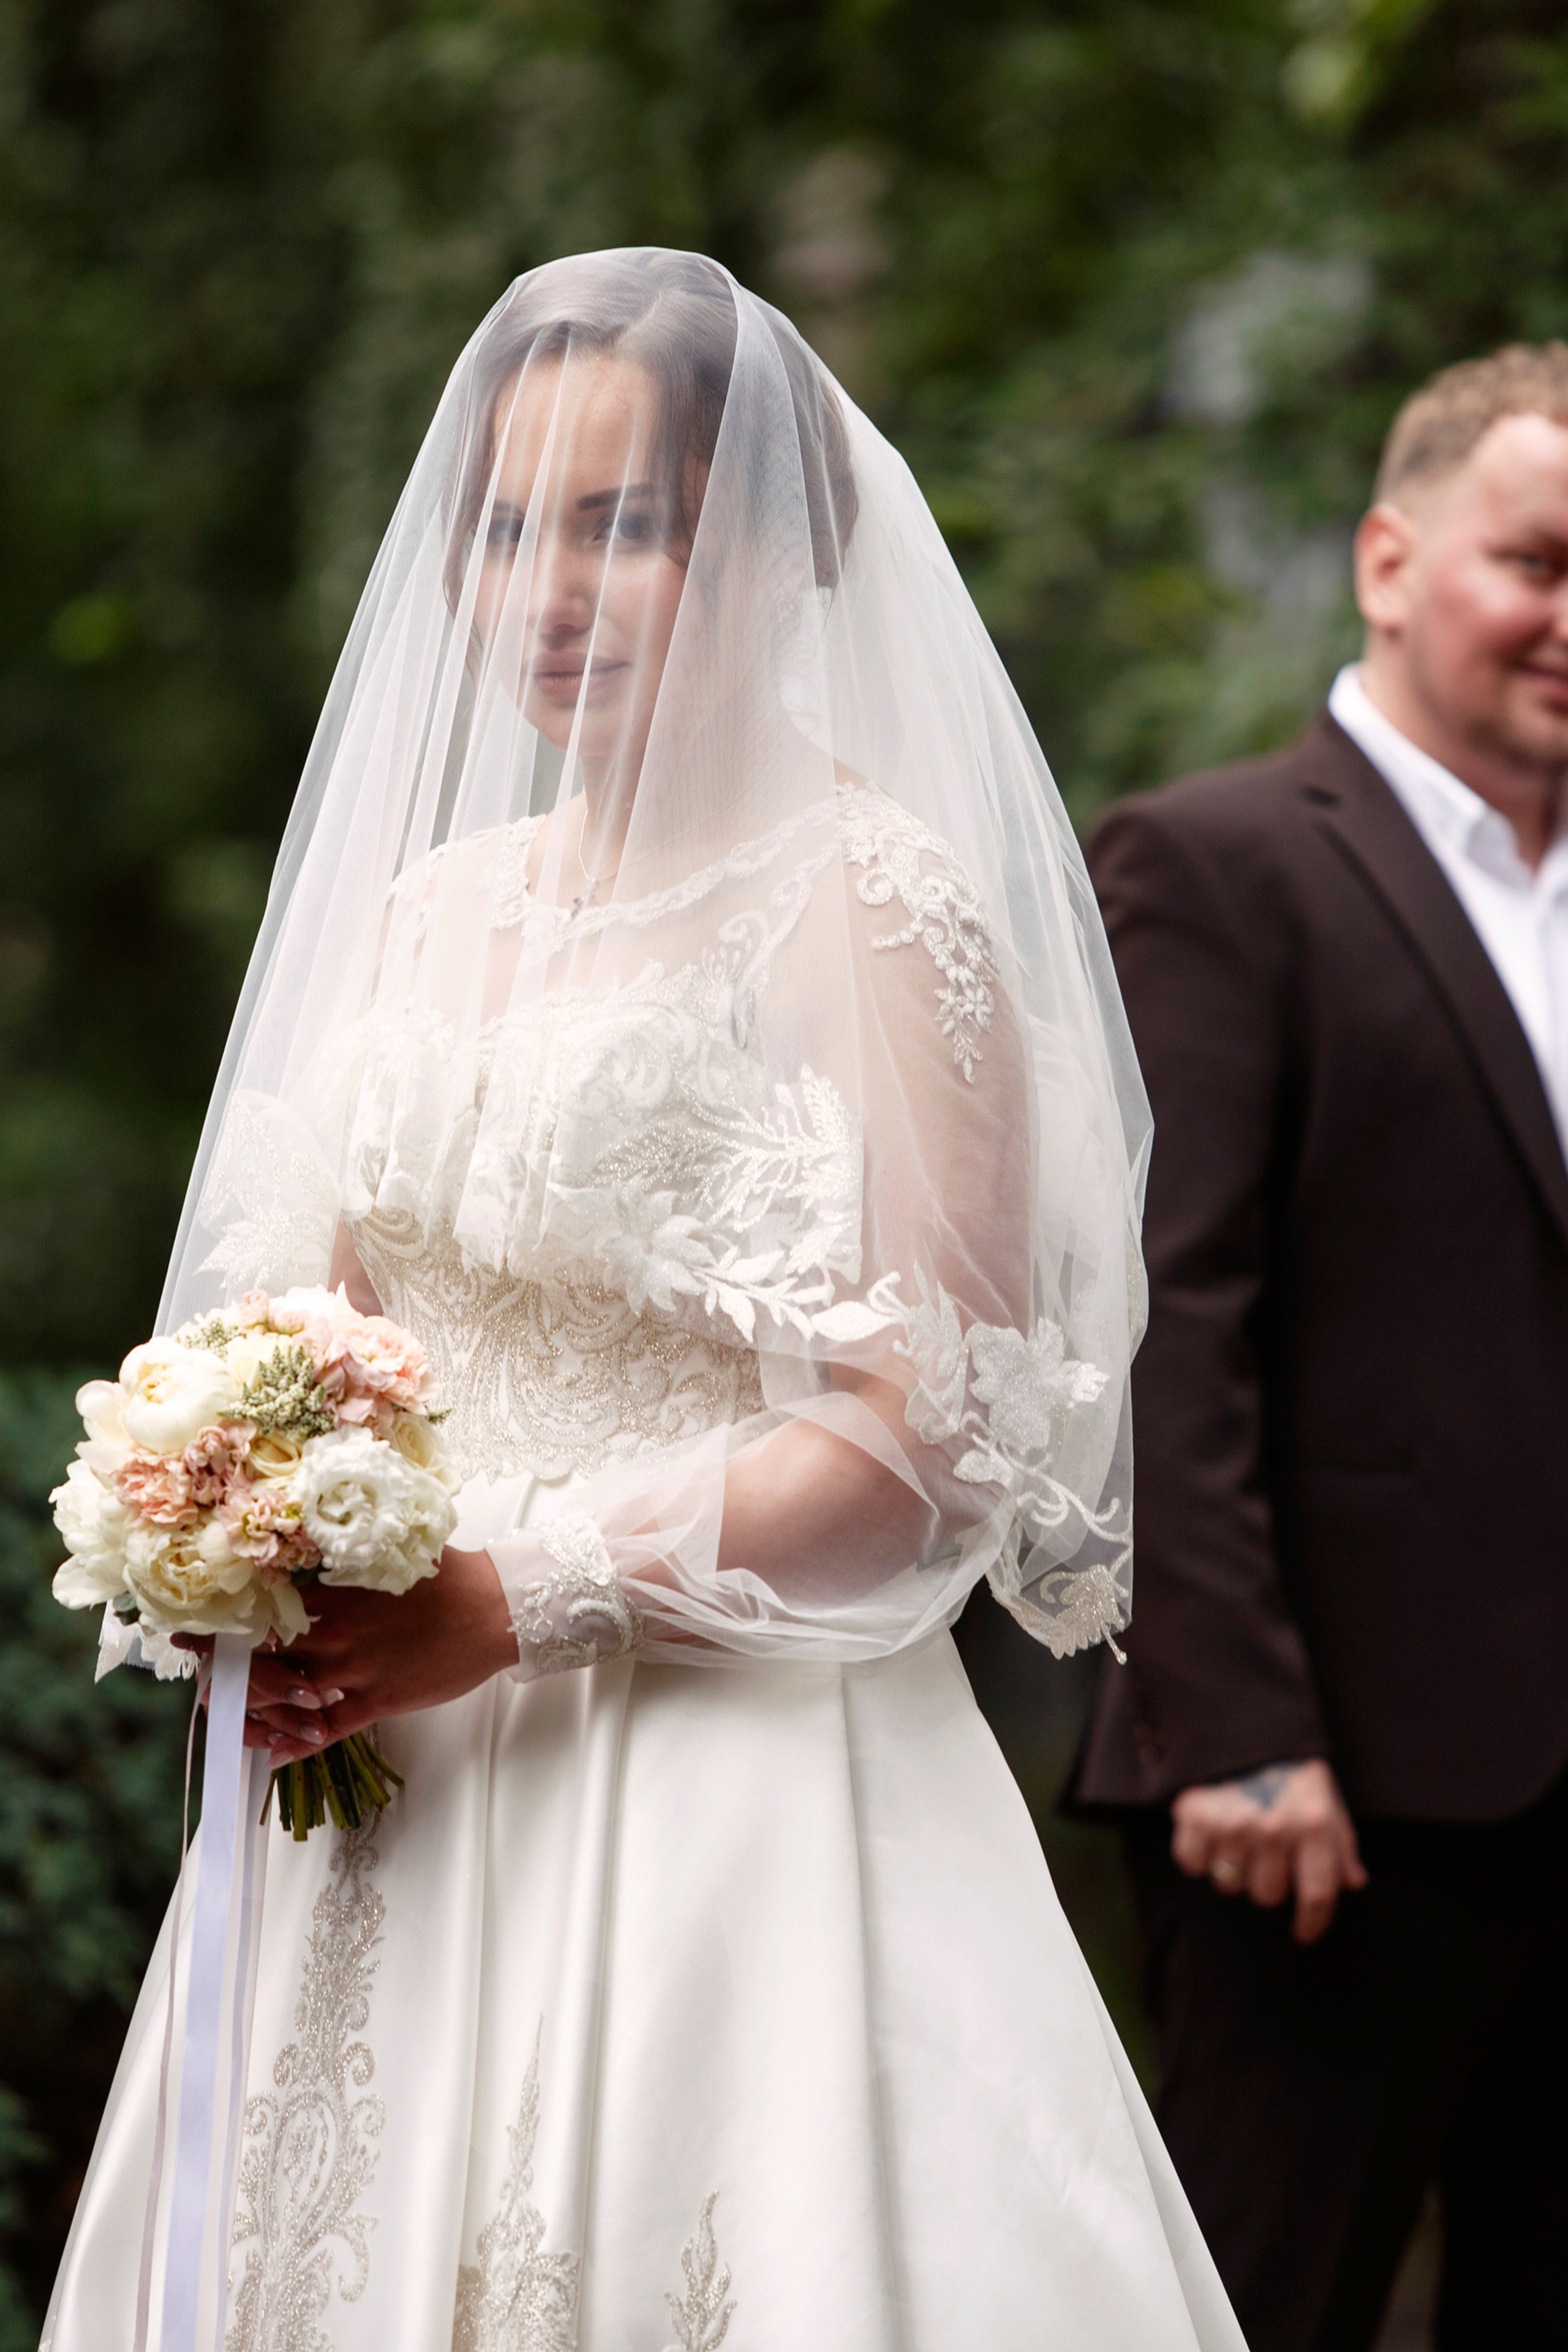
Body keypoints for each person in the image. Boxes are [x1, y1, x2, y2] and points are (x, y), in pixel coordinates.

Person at [43, 250, 1243, 2350]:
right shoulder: (432, 910)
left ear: (775, 551)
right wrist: (249, 1531)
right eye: (508, 527)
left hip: (729, 1785)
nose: (547, 590)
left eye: (625, 524)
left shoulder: (873, 906)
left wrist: (518, 1595)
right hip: (399, 1793)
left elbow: (925, 1429)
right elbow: (328, 1334)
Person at [1070, 341, 1568, 2351]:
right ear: (1386, 557)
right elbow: (1156, 1319)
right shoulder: (1218, 863)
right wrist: (1239, 1729)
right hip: (1319, 1806)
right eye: (1535, 561)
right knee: (1262, 2312)